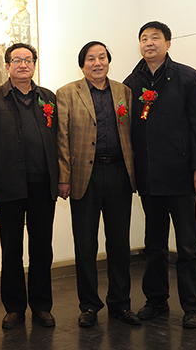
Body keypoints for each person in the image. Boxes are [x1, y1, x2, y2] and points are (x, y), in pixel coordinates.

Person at [123, 21, 196, 329]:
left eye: (155, 38)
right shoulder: (130, 83)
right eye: (144, 38)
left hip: (182, 175)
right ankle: (156, 300)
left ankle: (193, 306)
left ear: (168, 43)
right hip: (148, 177)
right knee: (154, 245)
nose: (149, 43)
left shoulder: (187, 77)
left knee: (187, 245)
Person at [57, 41, 139, 328]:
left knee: (119, 243)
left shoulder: (123, 92)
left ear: (108, 61)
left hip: (118, 173)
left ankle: (120, 303)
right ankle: (89, 305)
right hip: (84, 176)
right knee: (85, 244)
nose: (97, 63)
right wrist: (64, 177)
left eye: (102, 57)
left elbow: (132, 133)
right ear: (82, 65)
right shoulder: (67, 93)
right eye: (91, 58)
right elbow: (62, 139)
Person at [0, 43, 58, 329]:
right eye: (17, 60)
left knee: (42, 248)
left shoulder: (48, 98)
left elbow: (58, 141)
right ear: (7, 66)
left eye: (28, 60)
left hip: (42, 186)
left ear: (34, 64)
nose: (23, 65)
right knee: (11, 249)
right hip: (8, 186)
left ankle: (41, 306)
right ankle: (13, 308)